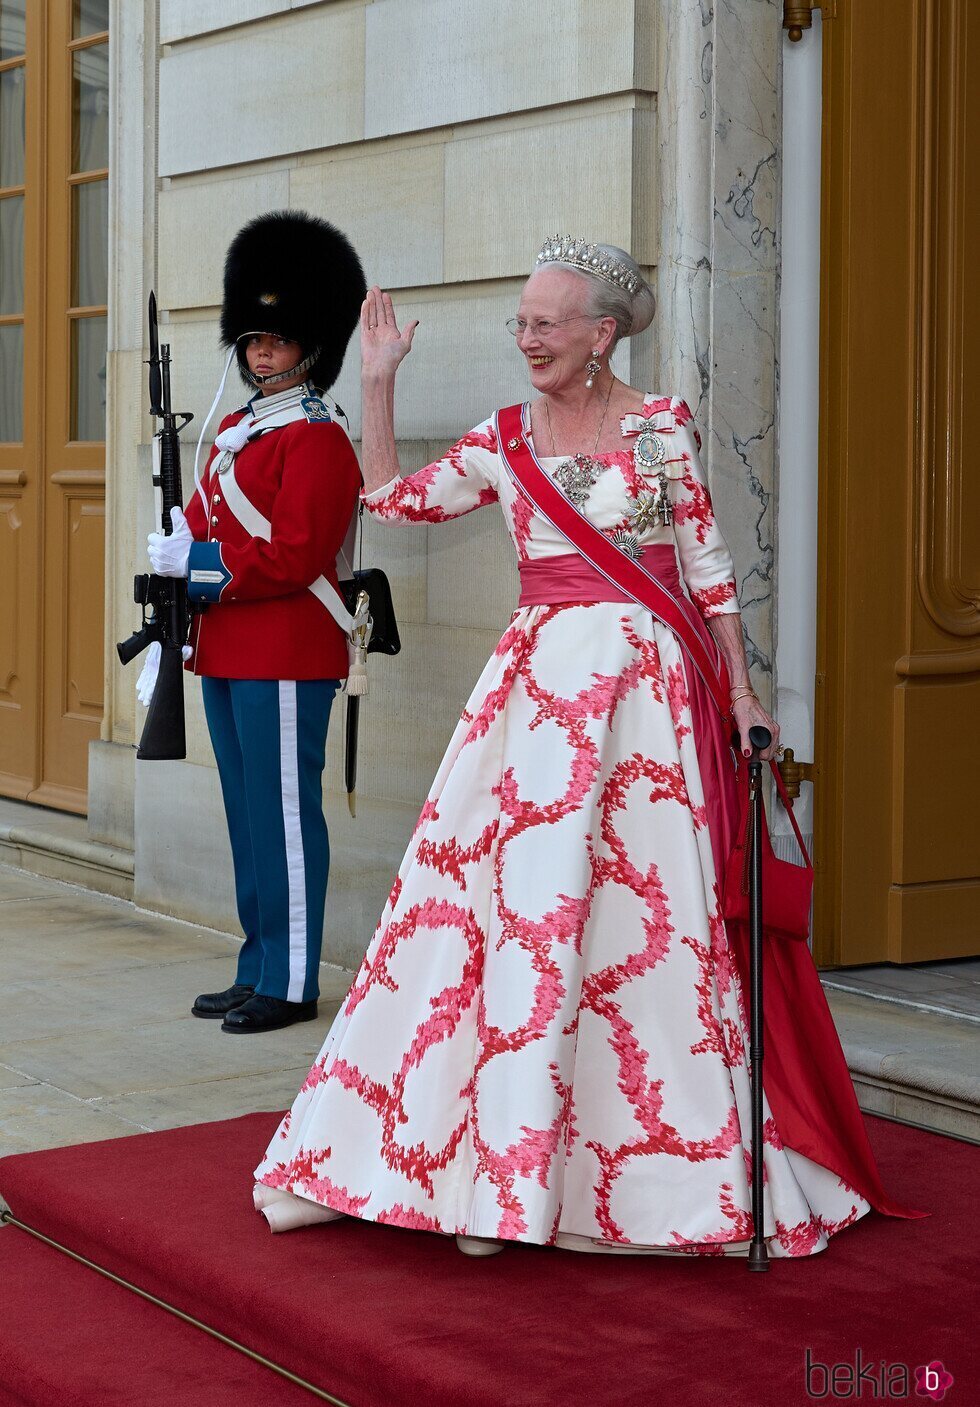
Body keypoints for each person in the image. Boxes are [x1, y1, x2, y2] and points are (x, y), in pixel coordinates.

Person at [253, 235, 919, 1250]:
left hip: (646, 705)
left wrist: (742, 694)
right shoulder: (503, 435)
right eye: (519, 322)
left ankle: (590, 1182)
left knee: (637, 930)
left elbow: (706, 571)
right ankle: (472, 1174)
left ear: (601, 335)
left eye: (545, 323)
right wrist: (379, 385)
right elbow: (391, 505)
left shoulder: (657, 430)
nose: (527, 339)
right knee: (488, 913)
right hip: (533, 699)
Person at [145, 211, 365, 1034]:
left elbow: (295, 554)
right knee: (247, 817)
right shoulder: (238, 432)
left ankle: (294, 977)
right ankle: (258, 962)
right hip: (230, 647)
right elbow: (204, 522)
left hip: (285, 651)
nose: (259, 353)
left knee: (283, 819)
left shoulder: (317, 440)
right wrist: (177, 552)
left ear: (309, 346)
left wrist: (199, 568)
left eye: (275, 340)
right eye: (252, 340)